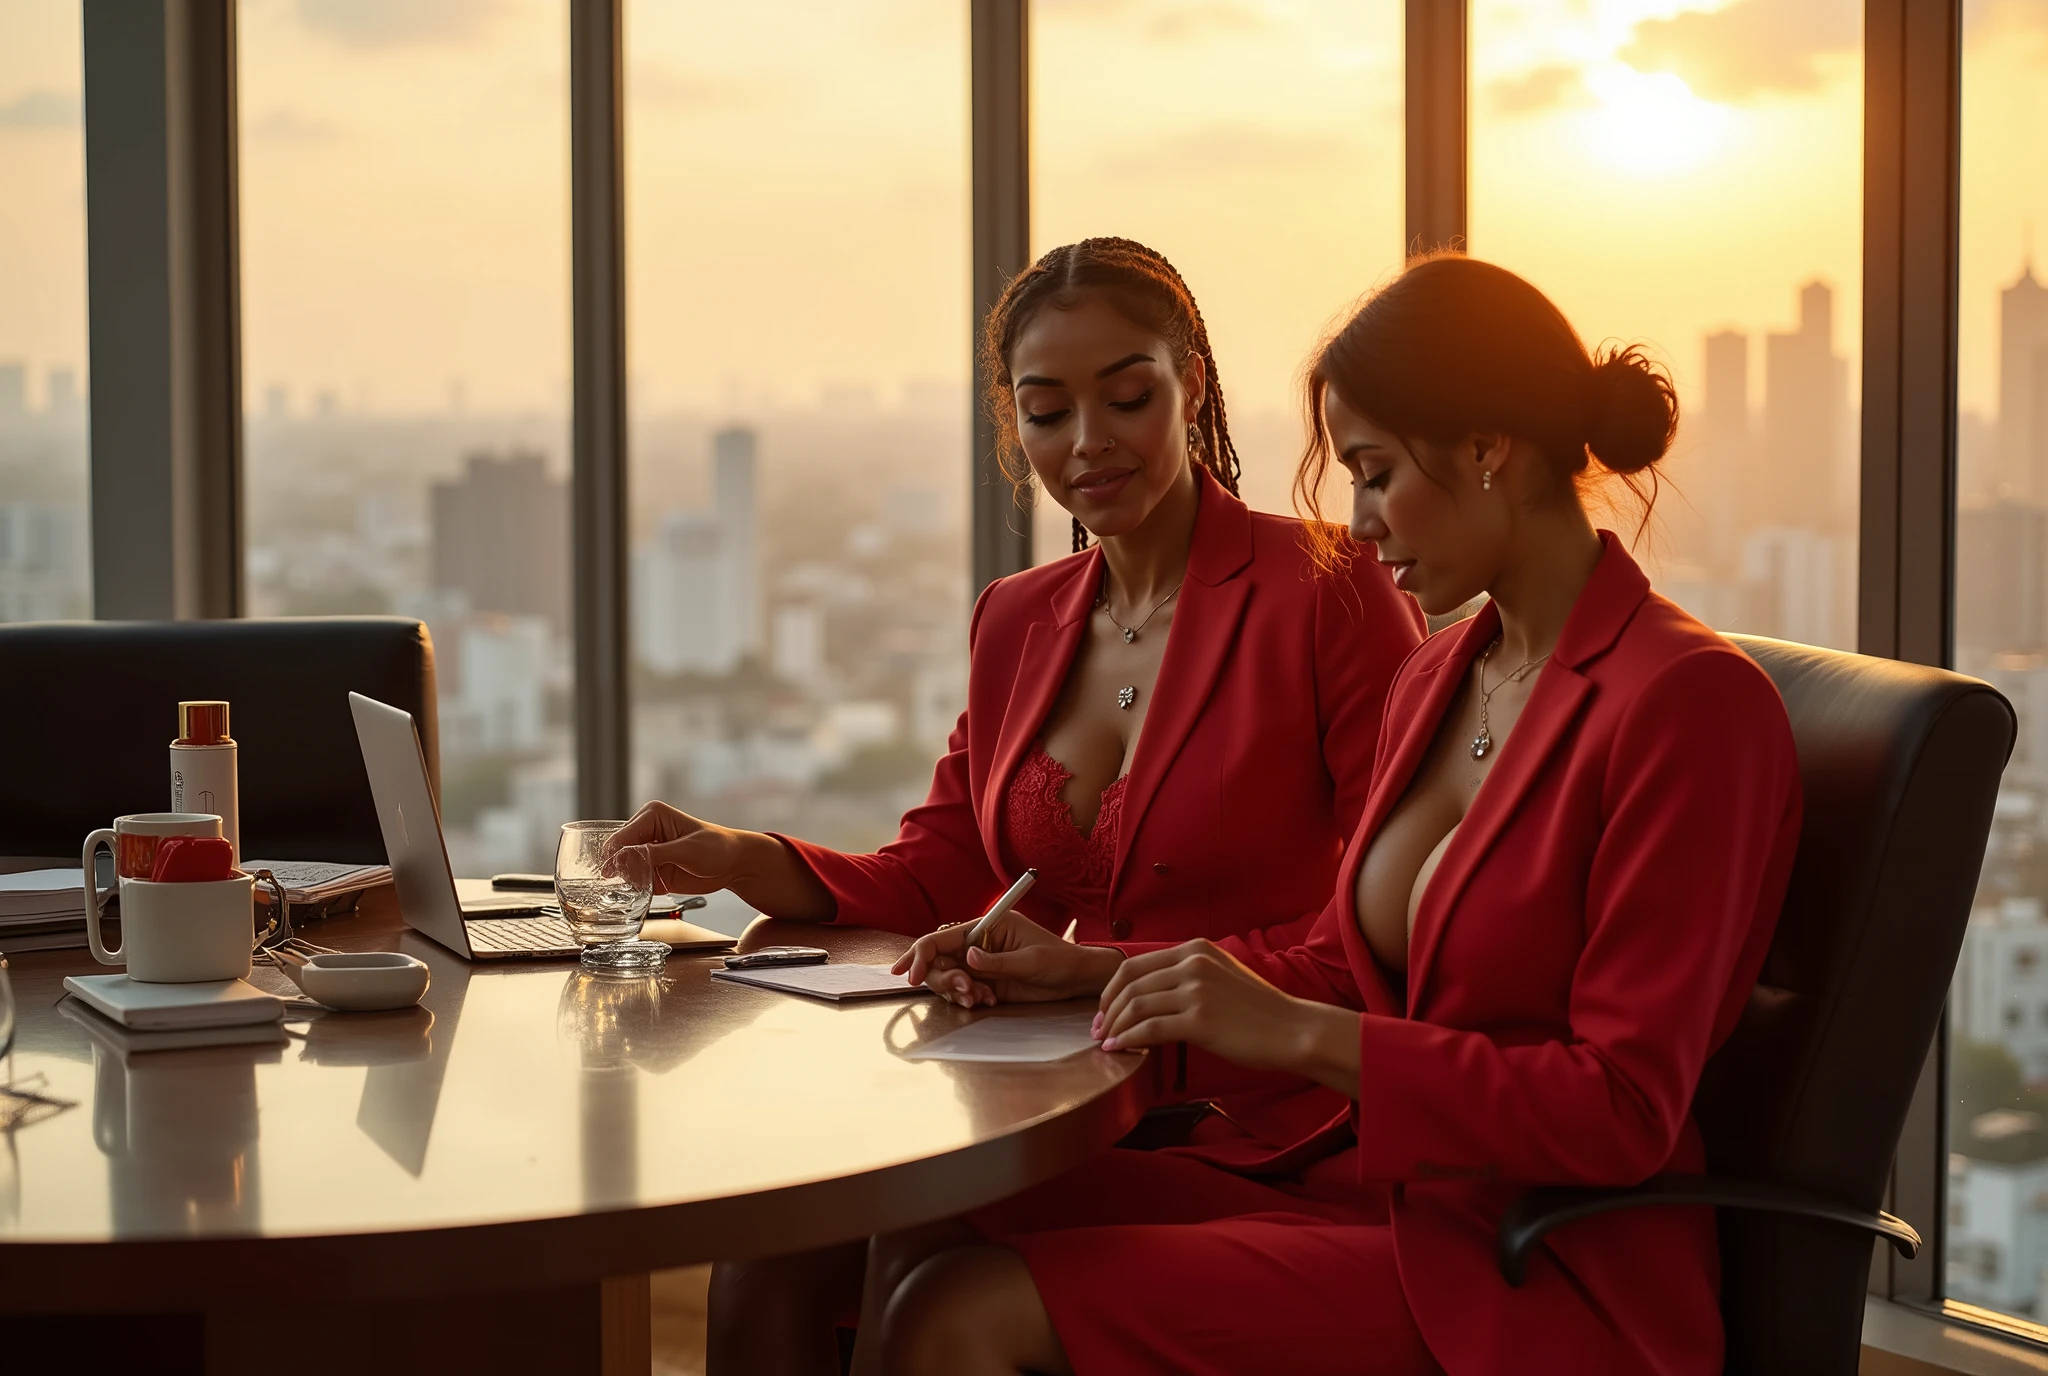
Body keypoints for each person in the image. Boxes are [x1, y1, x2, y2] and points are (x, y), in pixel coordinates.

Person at [861, 253, 1804, 1376]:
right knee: (918, 1220)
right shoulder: (1444, 671)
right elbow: (1348, 966)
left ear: (1485, 449)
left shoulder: (1687, 700)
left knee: (959, 1313)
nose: (1355, 523)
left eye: (1374, 474)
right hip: (1360, 1184)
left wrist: (1302, 1036)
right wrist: (1093, 973)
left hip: (1535, 1261)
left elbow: (1622, 1108)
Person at [605, 237, 1424, 1375]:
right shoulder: (1016, 617)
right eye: (1046, 412)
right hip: (1066, 1097)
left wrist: (1096, 971)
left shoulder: (1331, 591)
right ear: (1015, 427)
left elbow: (1379, 930)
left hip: (1269, 1119)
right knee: (770, 1256)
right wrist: (741, 856)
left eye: (1126, 397)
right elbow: (934, 871)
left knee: (918, 1237)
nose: (1087, 441)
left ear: (1191, 384)